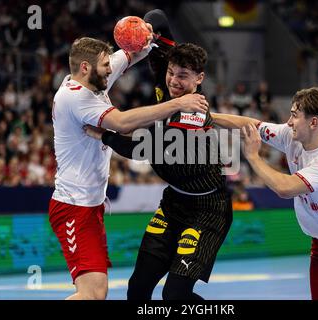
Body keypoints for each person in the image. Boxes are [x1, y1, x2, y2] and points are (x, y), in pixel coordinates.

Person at [49, 28, 208, 300]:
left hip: (89, 205)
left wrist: (147, 34)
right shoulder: (77, 98)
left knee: (97, 293)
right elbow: (122, 124)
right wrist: (178, 103)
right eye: (105, 66)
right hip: (73, 207)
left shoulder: (93, 80)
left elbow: (131, 53)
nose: (111, 70)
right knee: (91, 295)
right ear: (86, 68)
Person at [85, 9, 232, 300]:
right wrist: (149, 28)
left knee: (175, 296)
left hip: (207, 210)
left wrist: (103, 134)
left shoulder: (193, 115)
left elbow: (140, 148)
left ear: (199, 78)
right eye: (171, 73)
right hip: (173, 201)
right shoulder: (172, 72)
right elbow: (160, 16)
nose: (174, 81)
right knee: (137, 289)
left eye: (183, 77)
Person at [213, 87, 318, 300]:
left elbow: (285, 188)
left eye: (294, 115)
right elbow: (249, 126)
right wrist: (207, 117)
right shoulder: (289, 136)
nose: (289, 121)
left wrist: (253, 157)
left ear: (313, 123)